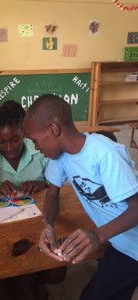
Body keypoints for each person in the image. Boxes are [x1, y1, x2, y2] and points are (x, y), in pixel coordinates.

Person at [23, 94, 138, 300]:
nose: (36, 148)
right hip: (120, 241)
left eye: (35, 140)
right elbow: (52, 192)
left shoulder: (104, 153)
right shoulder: (60, 155)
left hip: (133, 246)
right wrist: (47, 224)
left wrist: (98, 235)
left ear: (53, 129)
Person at [0, 100, 67, 300]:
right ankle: (20, 283)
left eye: (15, 139)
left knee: (57, 272)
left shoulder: (40, 150)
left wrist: (43, 184)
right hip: (2, 230)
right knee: (8, 281)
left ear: (25, 132)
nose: (9, 147)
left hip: (37, 223)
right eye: (1, 142)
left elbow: (60, 185)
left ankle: (31, 281)